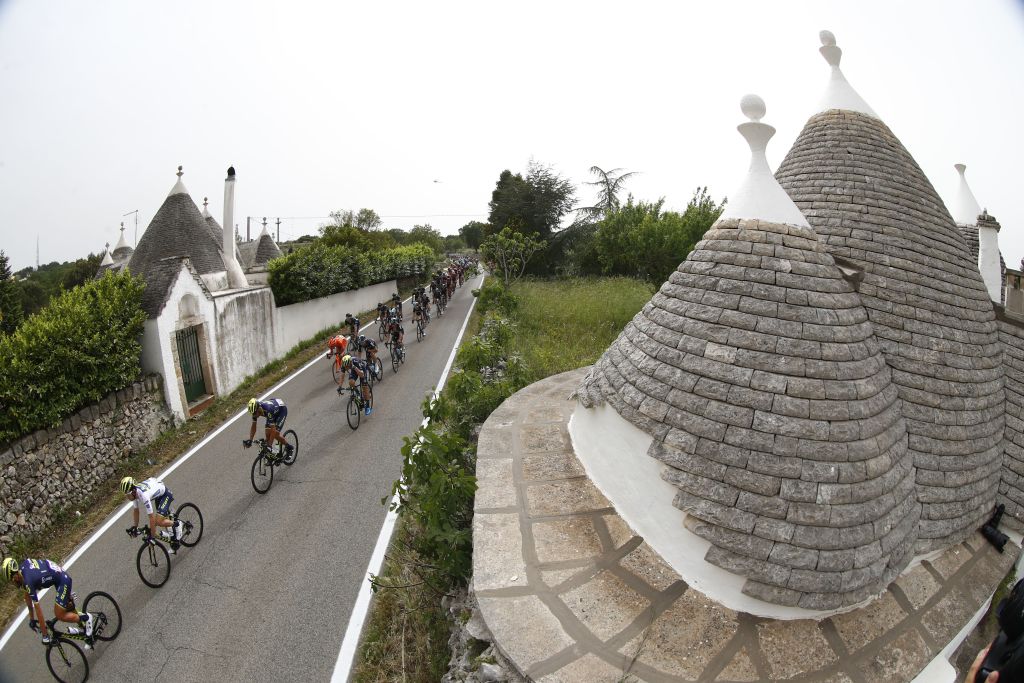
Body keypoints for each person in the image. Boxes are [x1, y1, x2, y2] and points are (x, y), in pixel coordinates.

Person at [2, 557, 95, 644]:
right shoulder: (22, 569)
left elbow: (38, 611)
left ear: (15, 575)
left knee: (59, 614)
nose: (13, 582)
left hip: (62, 580)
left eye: (12, 579)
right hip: (56, 575)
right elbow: (28, 598)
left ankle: (87, 618)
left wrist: (45, 635)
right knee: (67, 606)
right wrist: (31, 619)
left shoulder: (28, 581)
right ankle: (84, 629)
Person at [121, 476, 183, 553]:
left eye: (128, 495)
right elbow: (136, 511)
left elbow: (151, 518)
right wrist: (135, 527)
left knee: (158, 521)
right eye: (126, 495)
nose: (128, 497)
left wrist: (152, 537)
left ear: (133, 491)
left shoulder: (144, 496)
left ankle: (177, 524)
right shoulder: (134, 494)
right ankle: (173, 540)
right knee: (159, 519)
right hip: (157, 492)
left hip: (165, 494)